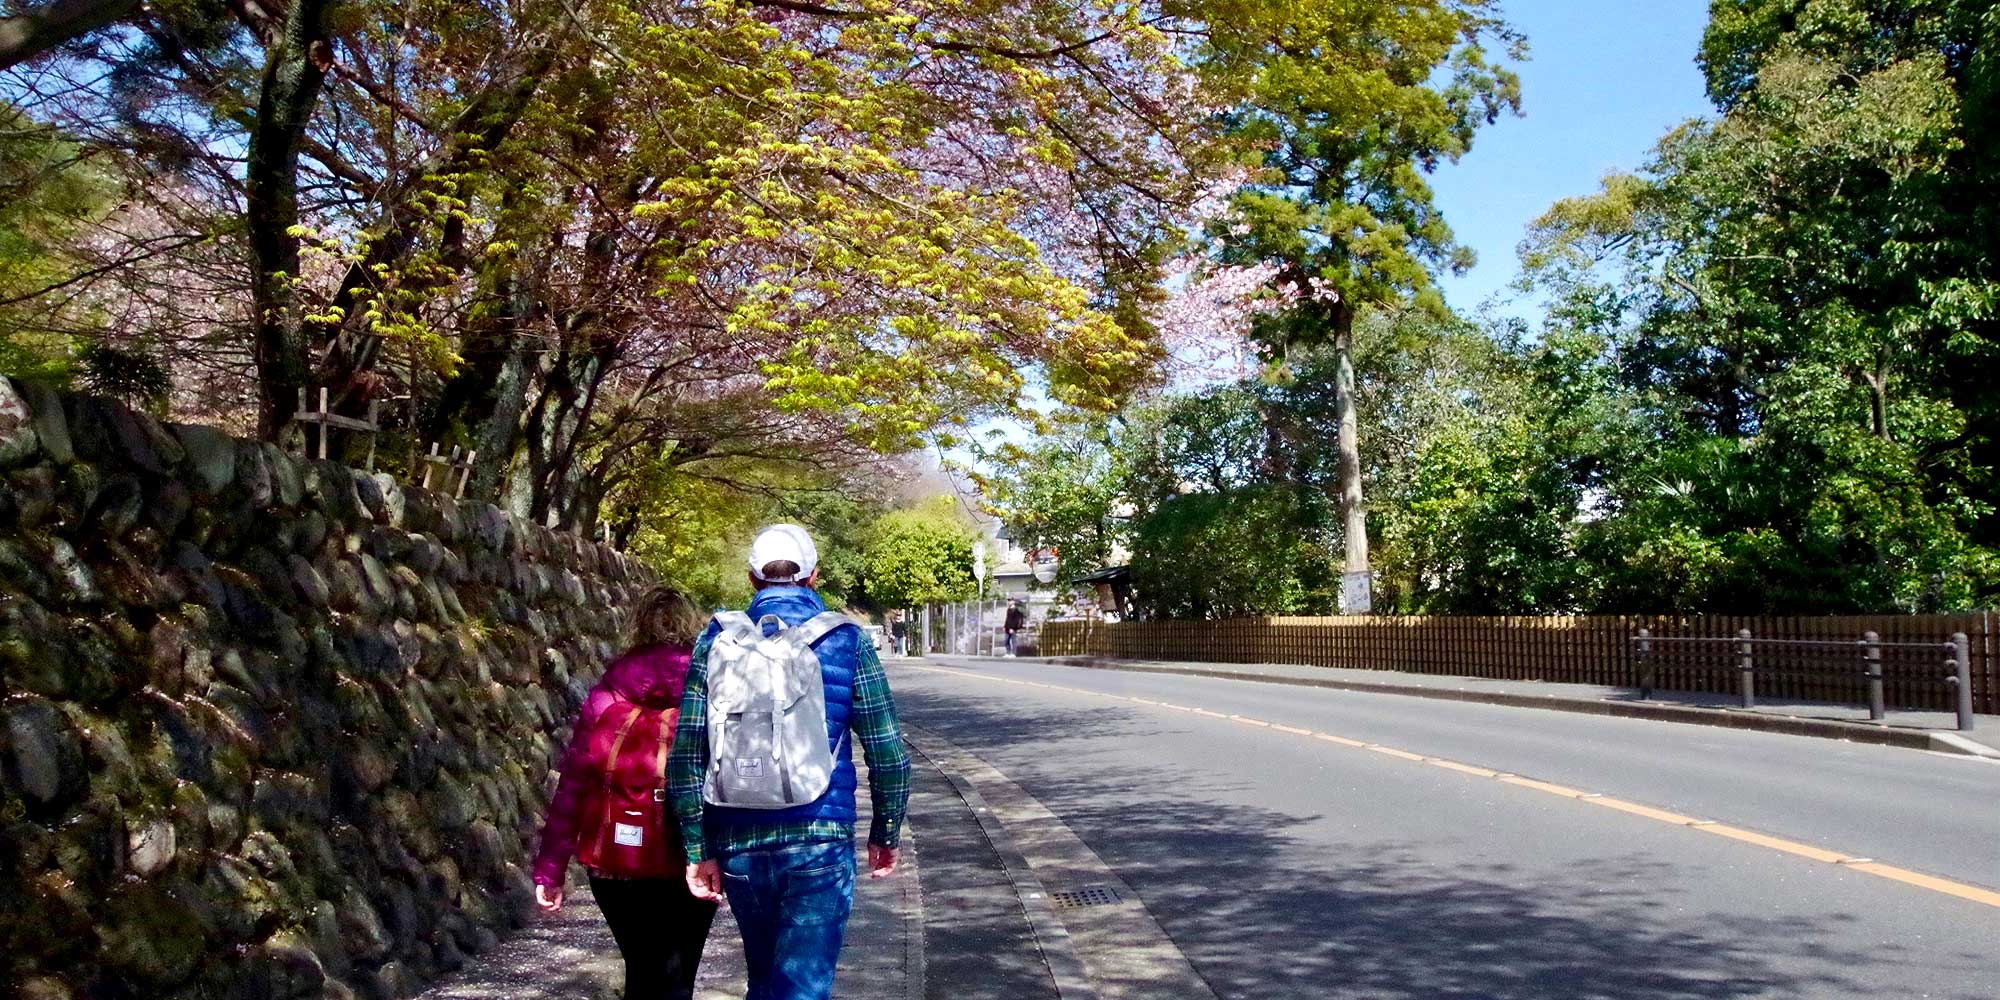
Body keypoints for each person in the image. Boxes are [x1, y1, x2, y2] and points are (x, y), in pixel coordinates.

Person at [668, 524, 911, 1000]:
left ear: (753, 580)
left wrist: (698, 848)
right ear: (813, 575)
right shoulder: (847, 639)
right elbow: (887, 752)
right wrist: (885, 833)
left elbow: (686, 756)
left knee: (764, 980)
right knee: (800, 989)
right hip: (819, 838)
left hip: (739, 839)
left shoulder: (716, 639)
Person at [531, 587, 717, 1000]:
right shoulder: (711, 687)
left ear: (639, 624)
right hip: (692, 855)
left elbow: (575, 782)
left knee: (642, 967)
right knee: (678, 973)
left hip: (617, 863)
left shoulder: (609, 690)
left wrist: (551, 868)